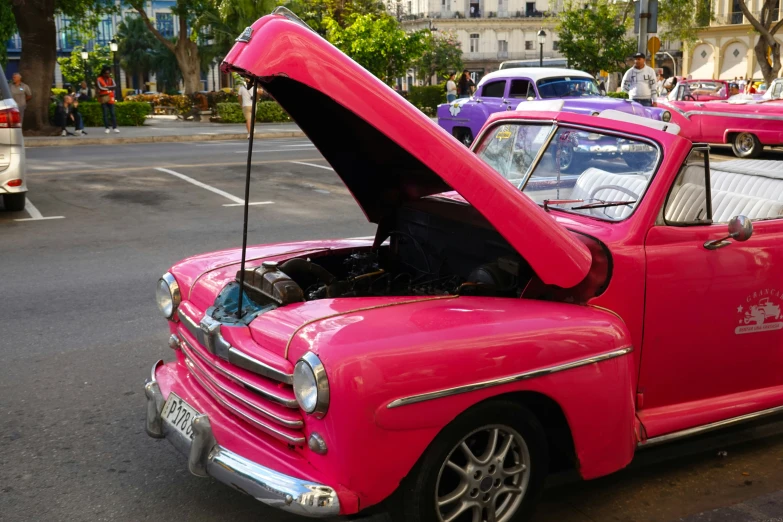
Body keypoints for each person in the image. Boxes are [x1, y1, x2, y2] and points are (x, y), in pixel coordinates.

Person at [96, 66, 119, 134]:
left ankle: (115, 127)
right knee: (105, 114)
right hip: (103, 98)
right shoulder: (99, 79)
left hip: (110, 98)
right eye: (106, 73)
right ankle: (107, 128)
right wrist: (109, 88)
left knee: (112, 113)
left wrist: (106, 87)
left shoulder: (111, 79)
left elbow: (115, 86)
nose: (107, 74)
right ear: (103, 73)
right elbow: (100, 87)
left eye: (108, 73)